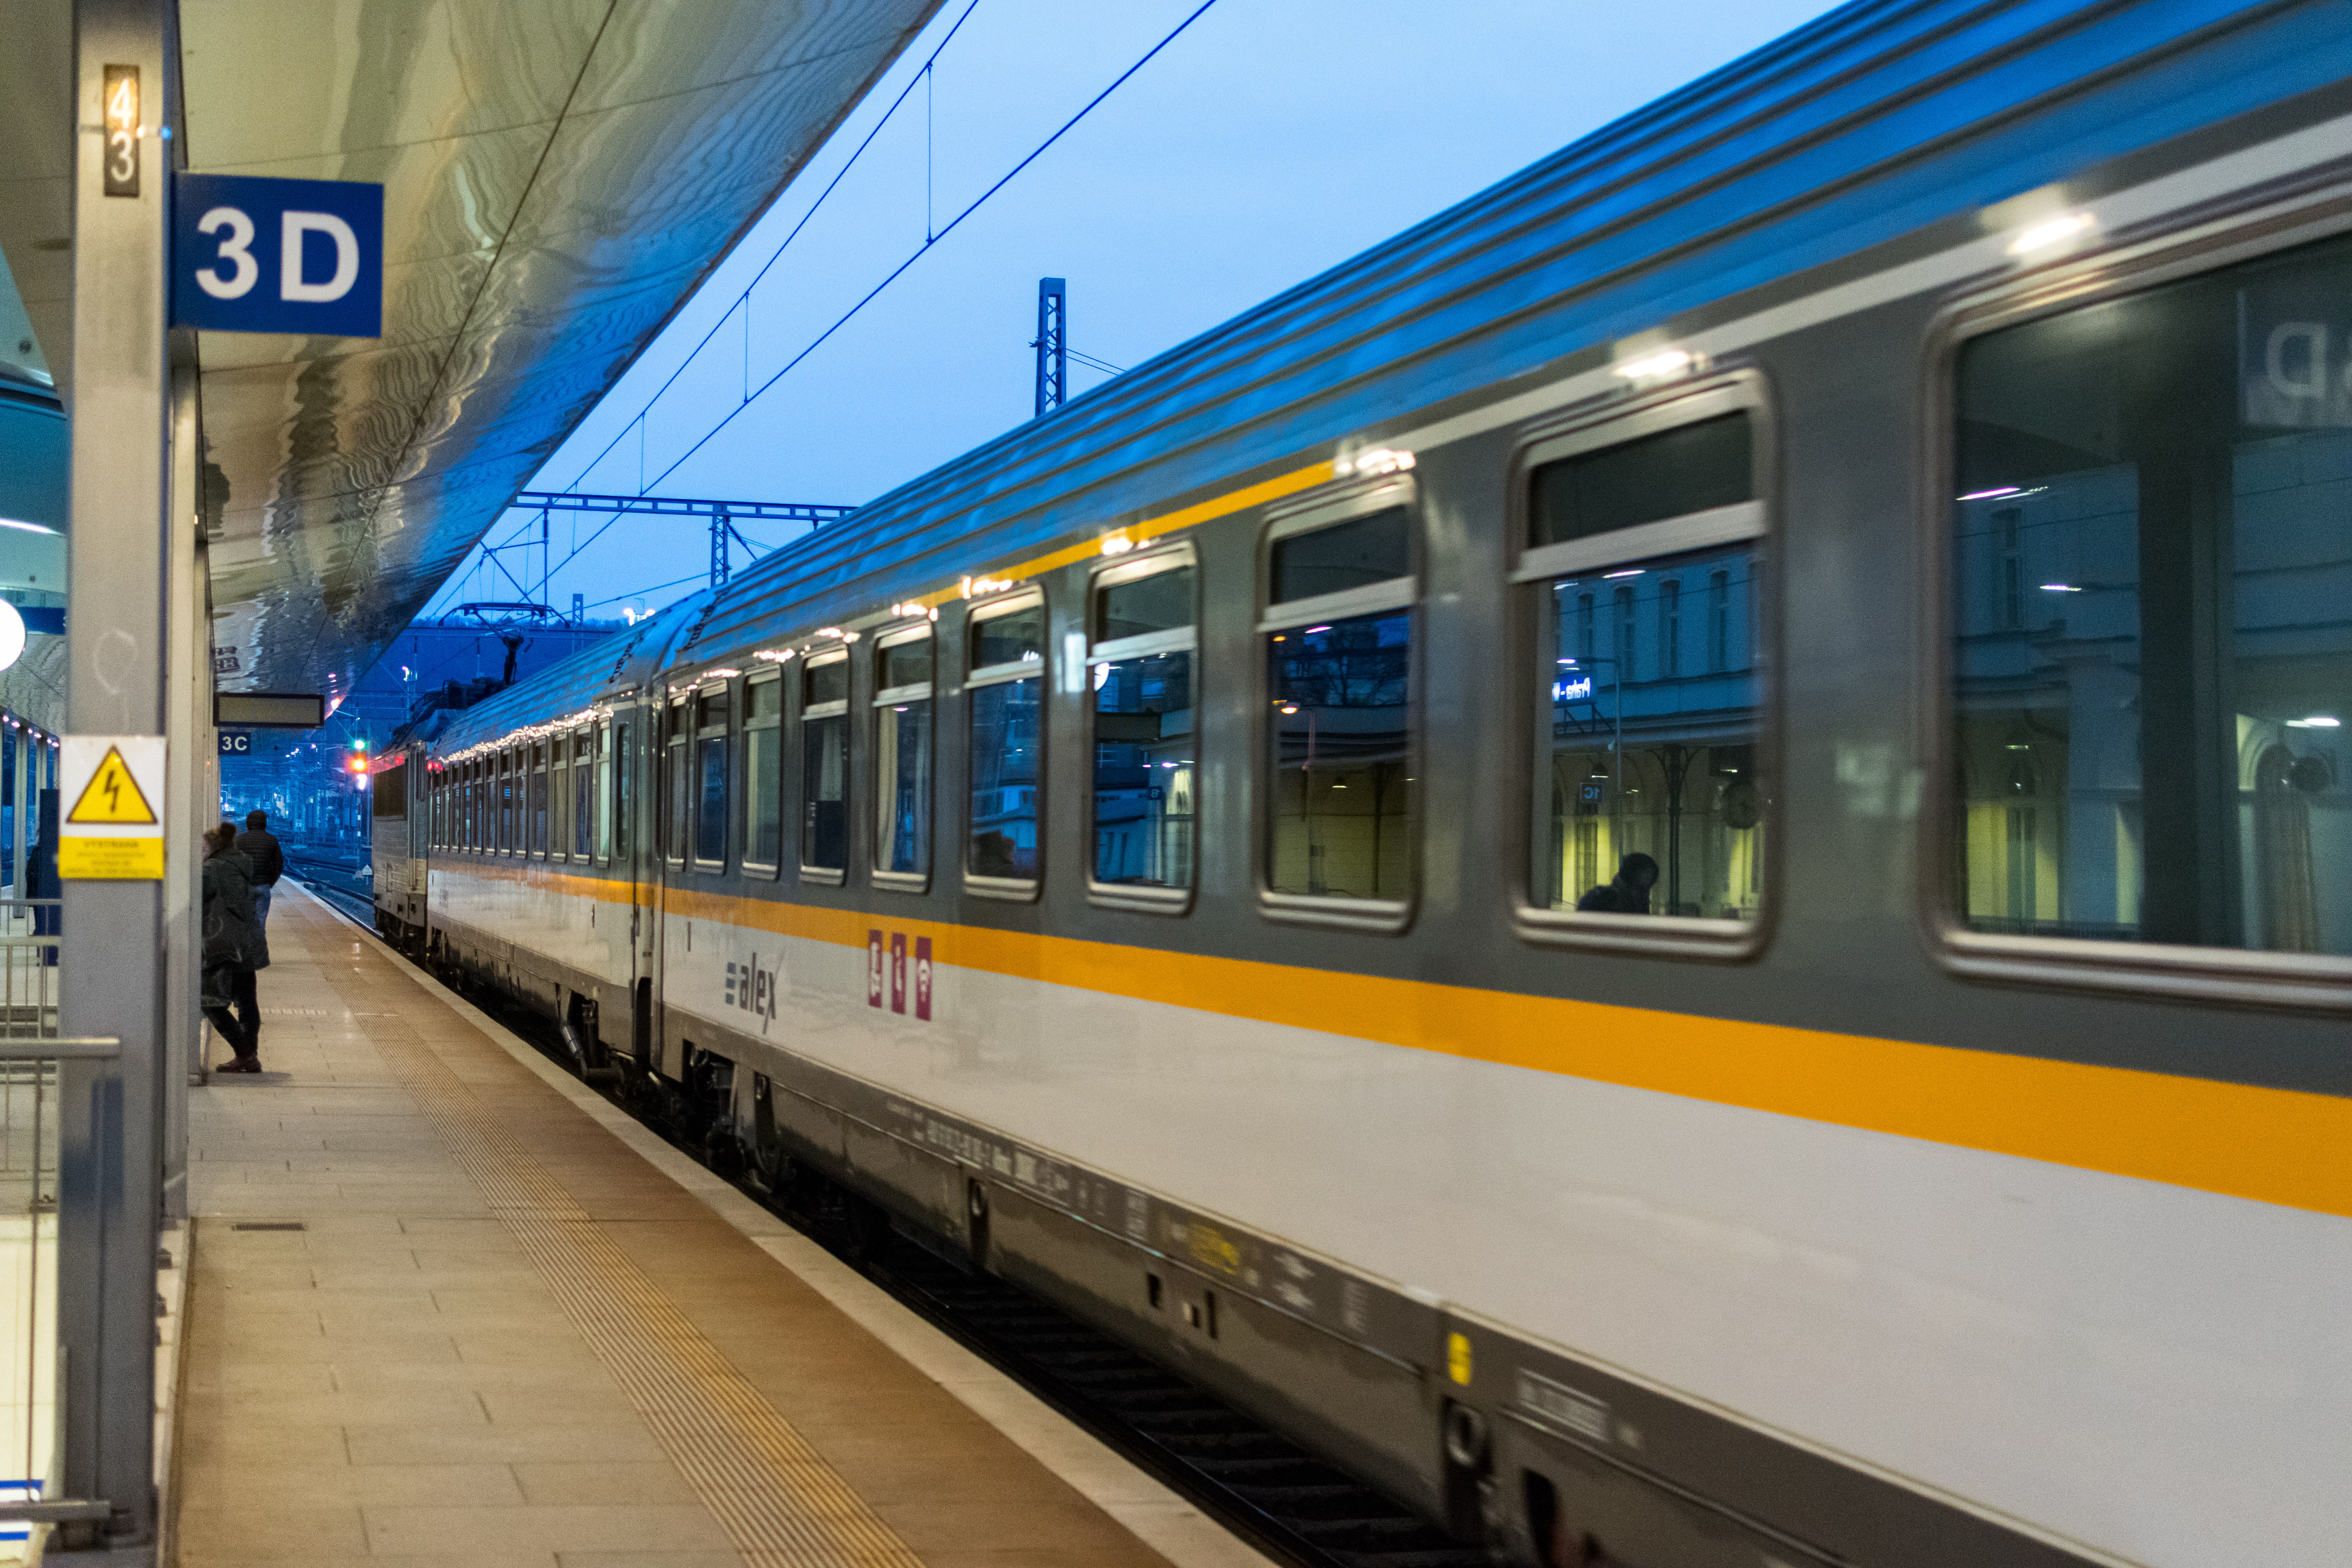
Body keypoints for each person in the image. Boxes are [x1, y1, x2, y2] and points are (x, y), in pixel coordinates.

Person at [201, 822, 267, 1073]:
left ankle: (245, 1053)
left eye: (203, 846)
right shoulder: (240, 864)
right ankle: (249, 1056)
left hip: (225, 945)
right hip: (248, 942)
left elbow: (190, 899)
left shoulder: (212, 870)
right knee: (247, 1001)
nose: (201, 851)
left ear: (212, 847)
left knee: (210, 1002)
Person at [23, 789, 58, 965]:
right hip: (42, 892)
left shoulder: (39, 849)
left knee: (42, 922)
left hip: (39, 892)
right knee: (45, 921)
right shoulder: (45, 850)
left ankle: (45, 953)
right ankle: (47, 954)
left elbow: (31, 874)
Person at [235, 810, 284, 931]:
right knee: (260, 924)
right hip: (263, 887)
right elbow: (279, 867)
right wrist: (269, 883)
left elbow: (233, 865)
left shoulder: (239, 840)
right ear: (265, 824)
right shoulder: (272, 840)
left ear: (248, 824)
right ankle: (259, 948)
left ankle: (246, 949)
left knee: (244, 923)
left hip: (244, 888)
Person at [1578, 851, 1659, 914]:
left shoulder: (1640, 898)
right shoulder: (1605, 898)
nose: (1649, 878)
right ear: (1635, 872)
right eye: (1647, 873)